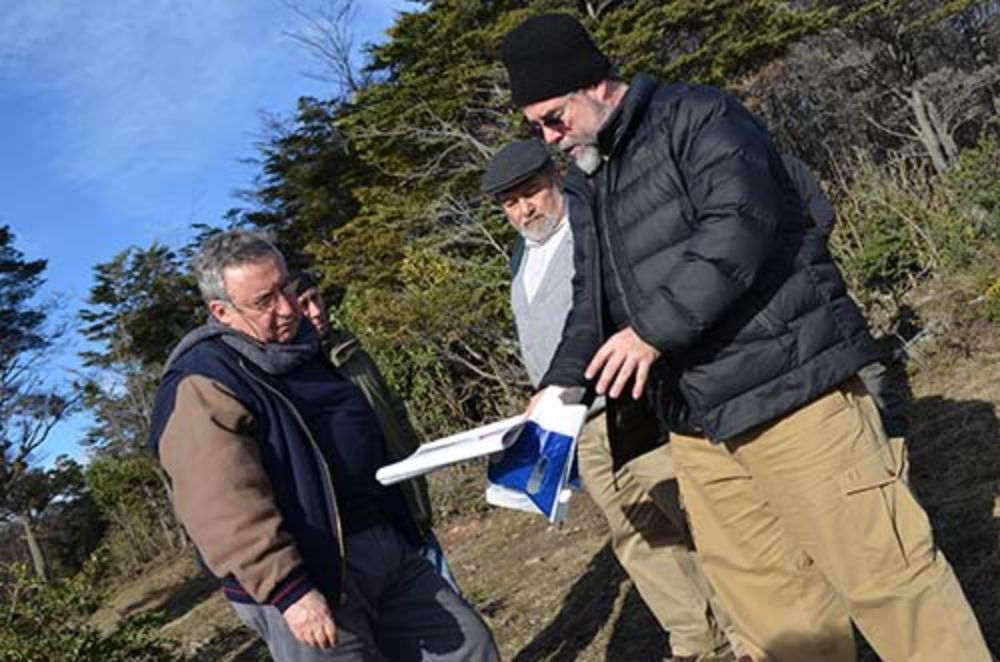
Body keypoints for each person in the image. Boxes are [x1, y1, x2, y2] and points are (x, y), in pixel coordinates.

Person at [498, 13, 992, 661]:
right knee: (773, 620)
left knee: (889, 583)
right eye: (537, 126)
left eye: (554, 117)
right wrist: (557, 386)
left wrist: (651, 331)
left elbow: (739, 226)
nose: (550, 136)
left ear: (594, 83)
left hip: (794, 394)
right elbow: (592, 301)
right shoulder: (594, 180)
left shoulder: (699, 116)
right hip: (698, 428)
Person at [147, 229, 498, 662]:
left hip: (383, 543)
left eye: (285, 289)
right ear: (221, 311)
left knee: (470, 648)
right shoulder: (204, 381)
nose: (287, 308)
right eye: (264, 301)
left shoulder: (308, 349)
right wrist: (289, 590)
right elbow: (220, 505)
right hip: (304, 576)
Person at [483, 138, 738, 662]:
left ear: (554, 178)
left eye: (530, 193)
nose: (523, 209)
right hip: (578, 423)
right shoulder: (519, 257)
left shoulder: (589, 226)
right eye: (510, 202)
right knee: (636, 533)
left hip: (635, 403)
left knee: (695, 516)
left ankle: (748, 629)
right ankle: (696, 641)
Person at [291, 269, 461, 593]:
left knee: (447, 593)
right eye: (303, 305)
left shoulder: (353, 351)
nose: (315, 312)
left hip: (404, 495)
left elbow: (395, 413)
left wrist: (415, 471)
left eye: (316, 299)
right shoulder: (296, 376)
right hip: (363, 519)